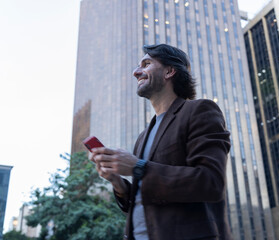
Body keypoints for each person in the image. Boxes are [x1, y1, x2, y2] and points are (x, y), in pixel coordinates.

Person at [90, 44, 232, 240]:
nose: (136, 71)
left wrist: (138, 167)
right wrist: (118, 184)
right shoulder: (142, 137)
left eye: (146, 64)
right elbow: (145, 200)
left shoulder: (199, 111)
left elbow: (211, 182)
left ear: (169, 71)